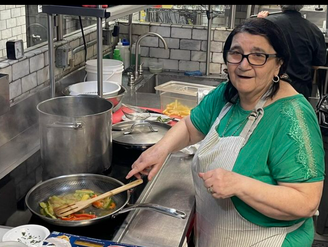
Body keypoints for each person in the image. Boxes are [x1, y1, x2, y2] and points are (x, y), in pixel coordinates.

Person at [126, 18, 325, 247]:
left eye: (258, 55)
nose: (243, 65)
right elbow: (191, 127)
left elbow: (306, 201)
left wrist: (239, 184)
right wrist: (160, 150)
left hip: (269, 240)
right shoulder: (227, 94)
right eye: (236, 53)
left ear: (278, 64)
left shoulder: (292, 117)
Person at [257, 5, 327, 100]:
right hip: (299, 92)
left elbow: (256, 50)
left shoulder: (267, 23)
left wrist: (258, 22)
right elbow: (318, 64)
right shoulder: (314, 30)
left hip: (269, 87)